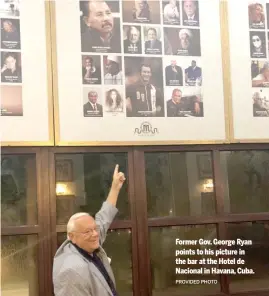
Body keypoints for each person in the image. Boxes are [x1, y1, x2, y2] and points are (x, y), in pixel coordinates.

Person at [53, 165, 126, 296]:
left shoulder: (87, 244)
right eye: (87, 232)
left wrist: (115, 187)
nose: (95, 234)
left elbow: (104, 217)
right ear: (72, 236)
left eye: (94, 229)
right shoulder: (71, 271)